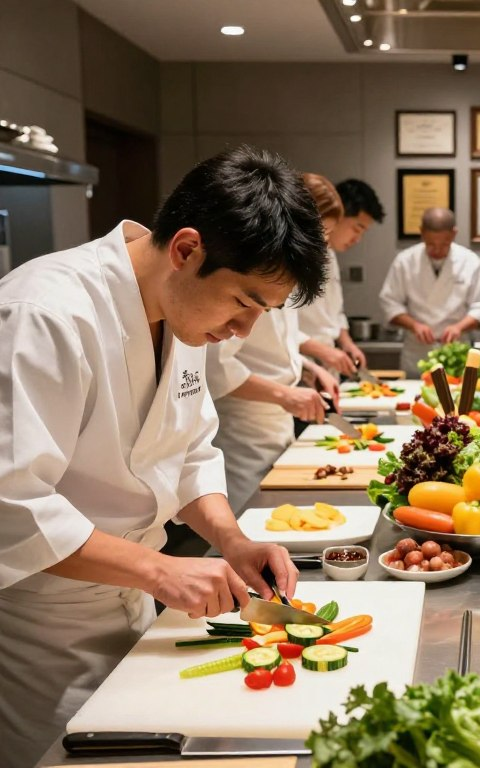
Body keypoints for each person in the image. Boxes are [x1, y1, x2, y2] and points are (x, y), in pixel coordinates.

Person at [0, 145, 327, 768]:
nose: (243, 331)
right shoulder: (43, 312)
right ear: (187, 250)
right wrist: (158, 570)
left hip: (135, 604)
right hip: (43, 627)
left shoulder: (184, 313)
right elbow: (10, 506)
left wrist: (231, 539)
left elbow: (188, 451)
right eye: (244, 303)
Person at [206, 173, 344, 510]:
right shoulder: (253, 270)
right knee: (247, 520)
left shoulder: (287, 273)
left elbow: (281, 337)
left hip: (278, 419)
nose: (323, 247)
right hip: (245, 426)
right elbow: (215, 365)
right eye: (321, 235)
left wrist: (307, 367)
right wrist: (284, 394)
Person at [379, 207, 480, 376]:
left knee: (460, 392)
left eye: (444, 244)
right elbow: (390, 302)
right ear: (421, 233)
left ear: (454, 234)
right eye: (431, 244)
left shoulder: (470, 261)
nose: (437, 250)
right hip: (418, 352)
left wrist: (459, 327)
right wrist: (414, 325)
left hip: (456, 351)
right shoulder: (405, 261)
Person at [299, 177, 384, 377]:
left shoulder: (329, 255)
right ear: (338, 212)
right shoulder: (296, 256)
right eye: (357, 228)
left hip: (324, 359)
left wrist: (346, 343)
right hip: (299, 360)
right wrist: (323, 352)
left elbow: (335, 310)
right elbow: (282, 328)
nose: (357, 239)